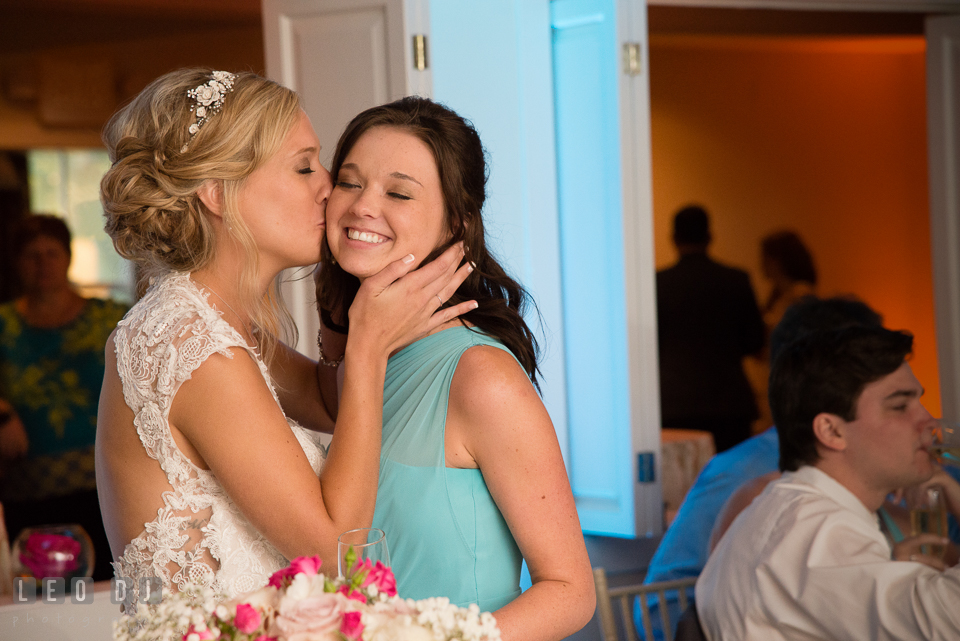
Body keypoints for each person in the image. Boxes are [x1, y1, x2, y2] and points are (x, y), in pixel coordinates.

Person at [96, 69, 475, 607]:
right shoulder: (196, 350)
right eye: (304, 167)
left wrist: (353, 302)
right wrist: (367, 347)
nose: (329, 186)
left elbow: (327, 399)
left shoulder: (210, 323)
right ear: (216, 193)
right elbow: (340, 557)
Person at [314, 97, 595, 641]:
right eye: (349, 183)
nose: (363, 206)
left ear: (457, 223)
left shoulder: (480, 376)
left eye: (398, 193)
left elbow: (571, 592)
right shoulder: (364, 356)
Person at [638, 296, 883, 638]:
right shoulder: (747, 472)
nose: (923, 419)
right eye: (895, 399)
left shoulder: (883, 468)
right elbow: (658, 609)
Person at [697, 325, 960, 640]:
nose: (928, 421)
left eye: (919, 401)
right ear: (831, 431)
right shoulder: (816, 533)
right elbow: (948, 625)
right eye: (900, 406)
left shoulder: (796, 510)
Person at [0, 214, 128, 581]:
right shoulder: (4, 324)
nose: (43, 264)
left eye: (51, 253)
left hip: (106, 487)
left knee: (110, 596)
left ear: (68, 256)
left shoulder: (111, 317)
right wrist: (3, 411)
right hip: (29, 494)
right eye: (31, 255)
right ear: (16, 262)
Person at [656, 205, 765, 452]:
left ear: (674, 238)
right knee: (735, 483)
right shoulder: (735, 280)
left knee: (681, 487)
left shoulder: (658, 284)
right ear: (709, 236)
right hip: (728, 403)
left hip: (674, 403)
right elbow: (754, 341)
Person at [746, 230, 818, 432]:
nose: (762, 264)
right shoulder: (777, 297)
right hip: (771, 379)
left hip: (787, 382)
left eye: (765, 258)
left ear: (777, 261)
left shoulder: (800, 297)